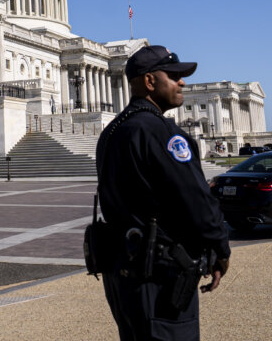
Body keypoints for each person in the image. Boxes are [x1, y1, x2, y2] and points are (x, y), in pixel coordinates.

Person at [96, 45, 230, 341]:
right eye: (174, 75)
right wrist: (221, 248)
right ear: (149, 81)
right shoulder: (160, 132)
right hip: (159, 275)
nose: (182, 82)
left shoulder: (111, 132)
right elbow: (195, 199)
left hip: (121, 273)